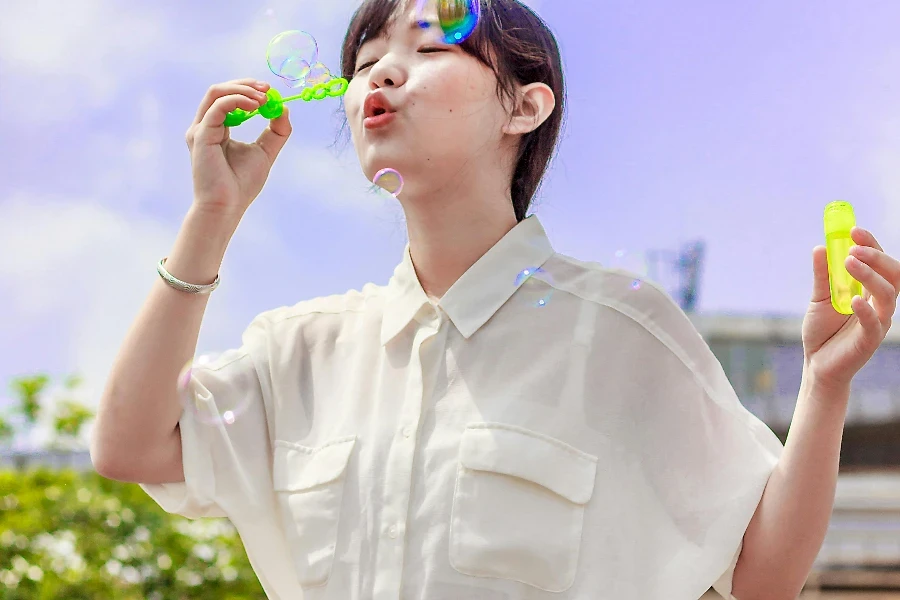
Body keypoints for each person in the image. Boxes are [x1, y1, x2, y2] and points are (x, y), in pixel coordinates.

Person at [90, 0, 900, 599]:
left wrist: (825, 386)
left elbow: (763, 575)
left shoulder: (621, 332)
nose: (380, 69)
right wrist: (212, 217)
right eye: (366, 54)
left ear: (526, 104)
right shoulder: (300, 350)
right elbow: (128, 445)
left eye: (431, 43)